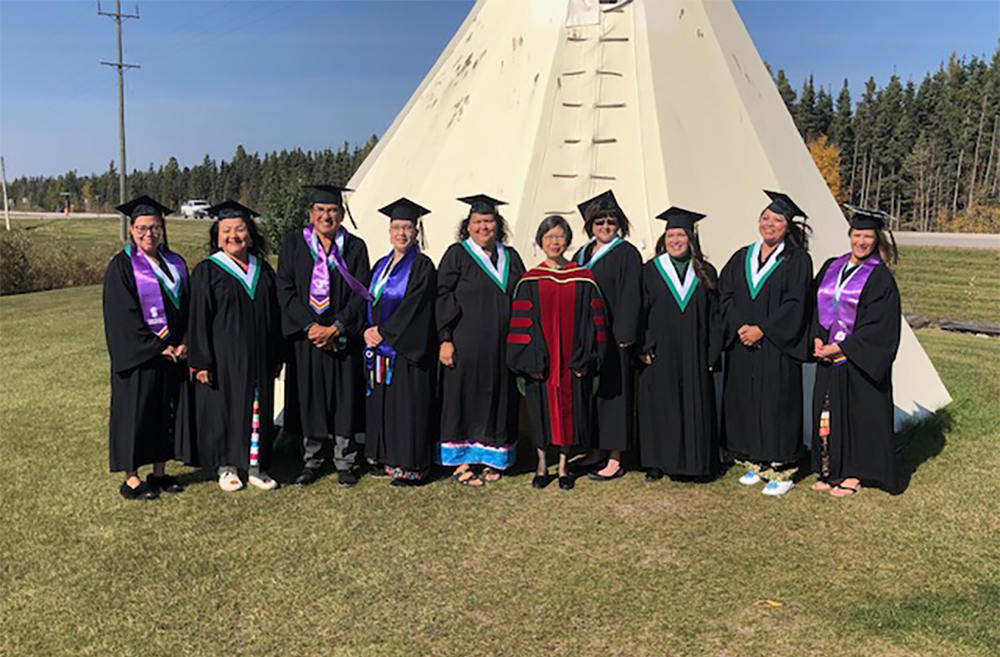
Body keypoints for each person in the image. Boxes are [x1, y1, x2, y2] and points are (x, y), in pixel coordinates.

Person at [183, 200, 282, 492]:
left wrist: (277, 354)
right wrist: (201, 361)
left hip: (260, 357)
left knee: (257, 408)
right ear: (217, 235)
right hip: (223, 359)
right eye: (226, 230)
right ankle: (226, 467)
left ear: (250, 234)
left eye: (240, 229)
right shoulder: (207, 271)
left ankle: (255, 465)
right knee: (225, 409)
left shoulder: (263, 270)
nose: (233, 236)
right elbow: (198, 319)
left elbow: (274, 317)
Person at [719, 190, 814, 496]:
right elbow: (726, 295)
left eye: (777, 219)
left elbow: (796, 304)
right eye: (765, 218)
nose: (769, 224)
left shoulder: (798, 260)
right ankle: (754, 462)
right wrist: (740, 328)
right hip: (743, 344)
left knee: (776, 405)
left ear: (789, 226)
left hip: (776, 348)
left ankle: (782, 468)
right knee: (745, 401)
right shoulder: (741, 256)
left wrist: (762, 329)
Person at [277, 185, 371, 488]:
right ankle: (312, 460)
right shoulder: (294, 245)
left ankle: (345, 461)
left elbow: (362, 294)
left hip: (341, 336)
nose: (326, 216)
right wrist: (309, 326)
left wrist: (337, 327)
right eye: (320, 210)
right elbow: (286, 289)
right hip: (308, 338)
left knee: (344, 397)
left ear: (342, 215)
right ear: (311, 214)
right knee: (311, 398)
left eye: (332, 211)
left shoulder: (355, 247)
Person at [507, 215, 607, 491]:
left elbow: (594, 323)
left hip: (571, 363)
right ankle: (542, 464)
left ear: (568, 241)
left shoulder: (584, 278)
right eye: (549, 236)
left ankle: (563, 466)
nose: (555, 242)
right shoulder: (529, 280)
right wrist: (529, 362)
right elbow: (520, 326)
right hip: (542, 364)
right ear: (540, 241)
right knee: (540, 414)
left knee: (568, 415)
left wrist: (587, 357)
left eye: (560, 236)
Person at [103, 195, 190, 500]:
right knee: (136, 416)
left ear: (162, 228)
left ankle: (160, 473)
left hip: (172, 356)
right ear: (131, 230)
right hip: (140, 359)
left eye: (154, 228)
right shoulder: (122, 266)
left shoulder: (175, 262)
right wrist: (155, 347)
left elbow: (188, 306)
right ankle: (131, 479)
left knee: (164, 415)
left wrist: (185, 341)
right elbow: (121, 316)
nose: (148, 234)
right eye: (141, 229)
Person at [435, 195, 527, 487]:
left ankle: (492, 458)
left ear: (498, 225)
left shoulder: (511, 257)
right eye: (478, 222)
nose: (484, 227)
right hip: (466, 344)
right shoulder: (457, 255)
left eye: (489, 221)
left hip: (503, 347)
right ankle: (460, 461)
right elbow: (442, 296)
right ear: (468, 226)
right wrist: (445, 338)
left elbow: (523, 297)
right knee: (462, 397)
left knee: (498, 397)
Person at [811, 206, 902, 496]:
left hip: (857, 361)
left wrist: (843, 347)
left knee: (857, 417)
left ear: (877, 240)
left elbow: (881, 325)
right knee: (827, 414)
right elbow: (814, 307)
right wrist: (815, 338)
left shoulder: (880, 277)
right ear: (849, 236)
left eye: (868, 236)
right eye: (857, 235)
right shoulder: (831, 266)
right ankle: (829, 469)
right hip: (828, 357)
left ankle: (853, 473)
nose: (861, 241)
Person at [638, 207, 722, 481]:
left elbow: (715, 317)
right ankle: (656, 462)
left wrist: (712, 354)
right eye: (671, 235)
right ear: (664, 238)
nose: (676, 240)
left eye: (681, 235)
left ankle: (696, 463)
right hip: (660, 352)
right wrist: (644, 344)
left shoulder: (706, 271)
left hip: (696, 353)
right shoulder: (650, 270)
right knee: (661, 405)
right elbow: (639, 311)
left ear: (691, 238)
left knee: (693, 405)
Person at [364, 198, 438, 486]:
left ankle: (410, 467)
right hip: (379, 350)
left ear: (416, 232)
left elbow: (416, 306)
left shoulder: (422, 266)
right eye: (396, 227)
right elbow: (368, 300)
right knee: (384, 404)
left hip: (407, 352)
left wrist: (385, 331)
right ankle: (384, 457)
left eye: (407, 228)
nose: (402, 233)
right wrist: (368, 330)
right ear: (389, 231)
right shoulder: (381, 265)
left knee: (408, 408)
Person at [570, 190, 642, 481]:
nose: (605, 226)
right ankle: (596, 450)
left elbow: (631, 295)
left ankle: (615, 456)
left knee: (615, 396)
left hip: (613, 337)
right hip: (588, 339)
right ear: (590, 225)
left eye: (611, 221)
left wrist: (625, 333)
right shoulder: (582, 253)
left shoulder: (626, 253)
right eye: (599, 221)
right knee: (592, 396)